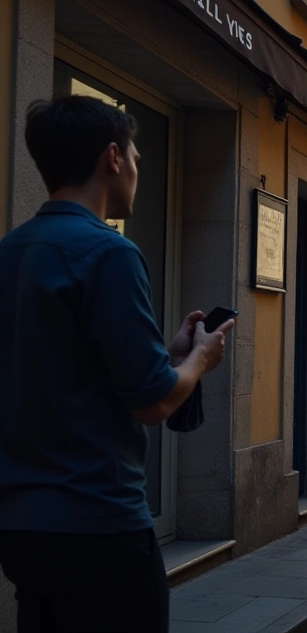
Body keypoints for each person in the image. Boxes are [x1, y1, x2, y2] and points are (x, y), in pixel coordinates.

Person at [0, 96, 236, 632]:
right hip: (99, 521)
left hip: (21, 524)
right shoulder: (110, 252)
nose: (136, 169)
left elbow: (62, 372)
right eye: (134, 156)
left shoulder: (11, 250)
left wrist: (168, 356)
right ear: (112, 157)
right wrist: (199, 360)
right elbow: (153, 401)